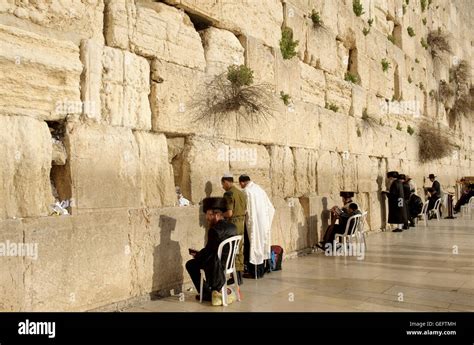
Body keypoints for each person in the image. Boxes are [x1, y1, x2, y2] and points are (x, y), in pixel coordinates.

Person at [185, 197, 237, 305]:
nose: (207, 217)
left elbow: (209, 252)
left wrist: (197, 255)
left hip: (218, 265)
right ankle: (207, 292)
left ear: (216, 215)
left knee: (190, 264)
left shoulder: (214, 230)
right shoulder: (233, 226)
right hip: (230, 262)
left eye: (208, 214)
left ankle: (206, 294)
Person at [238, 174, 275, 279]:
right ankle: (261, 270)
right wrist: (266, 222)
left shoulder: (246, 191)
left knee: (252, 246)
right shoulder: (260, 189)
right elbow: (270, 208)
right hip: (263, 224)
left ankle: (254, 273)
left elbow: (245, 209)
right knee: (260, 245)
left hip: (253, 224)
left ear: (241, 182)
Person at [221, 173, 247, 285]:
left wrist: (221, 215)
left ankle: (234, 276)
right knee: (240, 248)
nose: (223, 186)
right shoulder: (241, 193)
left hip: (233, 224)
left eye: (223, 184)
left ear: (226, 182)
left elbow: (230, 213)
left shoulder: (229, 193)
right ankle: (240, 275)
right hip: (241, 222)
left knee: (232, 249)